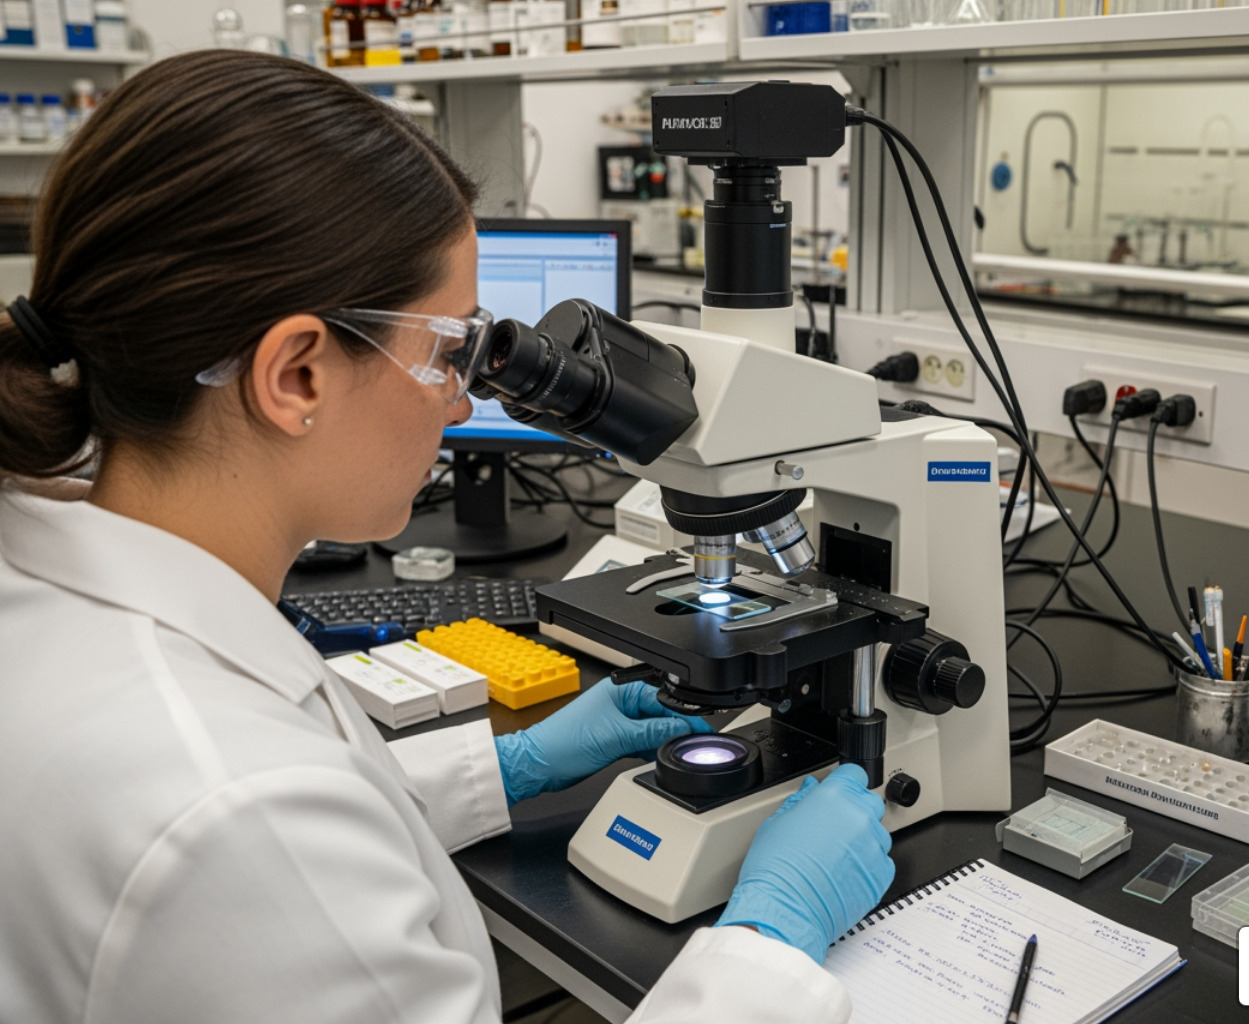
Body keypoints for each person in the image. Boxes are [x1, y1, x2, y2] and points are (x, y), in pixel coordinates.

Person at [0, 50, 894, 1023]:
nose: (463, 401)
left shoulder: (47, 589)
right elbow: (276, 845)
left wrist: (507, 766)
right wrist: (769, 943)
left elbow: (315, 832)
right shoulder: (239, 810)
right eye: (445, 350)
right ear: (297, 375)